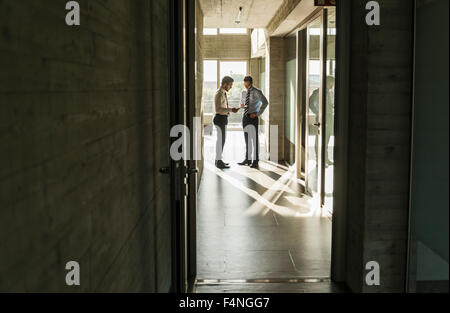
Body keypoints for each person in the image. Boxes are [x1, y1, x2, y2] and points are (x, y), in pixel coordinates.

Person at [238, 76, 269, 169]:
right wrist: (242, 105)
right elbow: (242, 102)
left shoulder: (257, 91)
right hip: (245, 117)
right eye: (244, 83)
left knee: (254, 140)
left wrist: (257, 113)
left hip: (253, 118)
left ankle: (255, 161)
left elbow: (265, 102)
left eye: (246, 83)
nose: (245, 85)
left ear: (250, 82)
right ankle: (247, 159)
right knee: (247, 139)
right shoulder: (243, 92)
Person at [213, 76, 240, 169]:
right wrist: (231, 109)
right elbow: (218, 109)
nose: (231, 87)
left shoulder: (223, 93)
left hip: (222, 118)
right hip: (219, 118)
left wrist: (230, 110)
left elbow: (222, 107)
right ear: (225, 84)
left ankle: (218, 160)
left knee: (221, 141)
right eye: (230, 85)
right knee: (221, 141)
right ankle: (218, 161)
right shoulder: (219, 93)